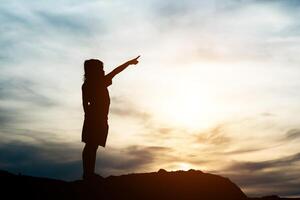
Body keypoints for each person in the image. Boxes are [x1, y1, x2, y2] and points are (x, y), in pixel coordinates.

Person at [81, 56, 140, 180]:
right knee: (91, 146)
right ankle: (88, 174)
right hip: (96, 119)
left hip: (97, 119)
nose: (103, 71)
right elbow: (116, 71)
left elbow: (85, 104)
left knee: (92, 146)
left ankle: (88, 173)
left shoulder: (88, 84)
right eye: (100, 69)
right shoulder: (98, 83)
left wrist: (89, 116)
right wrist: (129, 63)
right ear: (94, 71)